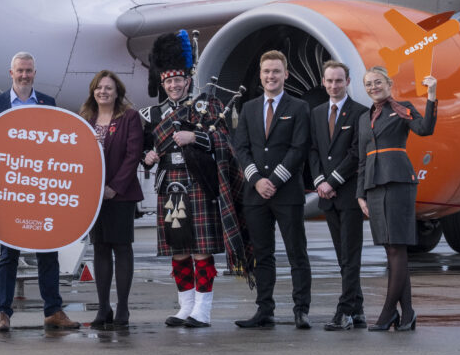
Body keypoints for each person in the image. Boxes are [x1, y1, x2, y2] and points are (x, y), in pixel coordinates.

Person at [141, 32, 254, 328]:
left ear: (188, 81)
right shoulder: (153, 115)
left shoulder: (207, 106)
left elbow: (225, 141)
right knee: (178, 249)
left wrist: (197, 136)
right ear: (162, 84)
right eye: (168, 81)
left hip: (199, 184)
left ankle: (202, 310)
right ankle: (185, 307)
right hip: (170, 187)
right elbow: (143, 147)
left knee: (200, 248)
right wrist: (147, 157)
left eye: (178, 80)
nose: (174, 85)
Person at [0, 52, 79, 331]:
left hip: (41, 189)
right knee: (9, 254)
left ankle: (53, 310)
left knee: (48, 251)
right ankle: (3, 313)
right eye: (20, 71)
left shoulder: (48, 102)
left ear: (35, 73)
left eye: (29, 71)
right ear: (11, 73)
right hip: (10, 192)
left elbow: (59, 142)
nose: (24, 75)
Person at [233, 50, 312, 329]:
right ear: (260, 74)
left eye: (276, 71)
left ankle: (301, 310)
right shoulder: (249, 107)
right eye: (266, 71)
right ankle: (264, 309)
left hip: (287, 192)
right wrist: (256, 180)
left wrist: (274, 181)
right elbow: (241, 147)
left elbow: (298, 148)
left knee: (296, 253)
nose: (271, 76)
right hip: (256, 195)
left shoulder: (299, 107)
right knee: (262, 254)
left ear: (286, 74)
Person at [358, 67, 437, 332]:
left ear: (389, 83)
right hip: (374, 185)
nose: (373, 87)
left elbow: (424, 129)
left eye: (377, 82)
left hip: (398, 182)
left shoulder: (401, 108)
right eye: (368, 84)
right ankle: (408, 314)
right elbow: (362, 159)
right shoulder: (364, 117)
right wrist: (361, 193)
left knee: (397, 247)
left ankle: (388, 312)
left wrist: (432, 95)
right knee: (390, 248)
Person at [80, 70, 144, 328]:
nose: (103, 92)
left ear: (117, 92)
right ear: (93, 91)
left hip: (121, 195)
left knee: (122, 248)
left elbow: (133, 155)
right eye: (99, 87)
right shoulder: (85, 118)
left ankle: (123, 309)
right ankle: (103, 307)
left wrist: (114, 187)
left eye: (108, 88)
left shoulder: (129, 117)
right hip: (94, 195)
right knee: (100, 249)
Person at [309, 61, 369, 331]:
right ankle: (357, 309)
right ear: (323, 82)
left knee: (350, 255)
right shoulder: (318, 112)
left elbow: (357, 153)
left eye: (339, 81)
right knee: (342, 255)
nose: (334, 85)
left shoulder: (360, 113)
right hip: (327, 195)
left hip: (349, 196)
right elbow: (312, 151)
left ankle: (344, 310)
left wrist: (333, 180)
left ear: (348, 81)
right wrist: (320, 181)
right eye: (330, 81)